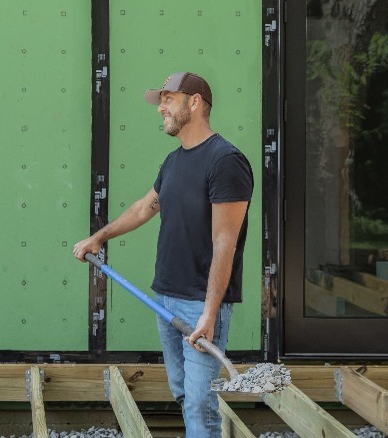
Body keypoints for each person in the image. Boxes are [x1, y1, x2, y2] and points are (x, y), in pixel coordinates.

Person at [73, 72, 253, 437]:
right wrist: (99, 237)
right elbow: (145, 207)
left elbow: (225, 242)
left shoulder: (226, 161)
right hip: (166, 298)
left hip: (199, 306)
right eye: (161, 101)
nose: (161, 108)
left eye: (168, 99)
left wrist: (209, 313)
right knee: (185, 393)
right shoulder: (173, 162)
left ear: (195, 102)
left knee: (200, 406)